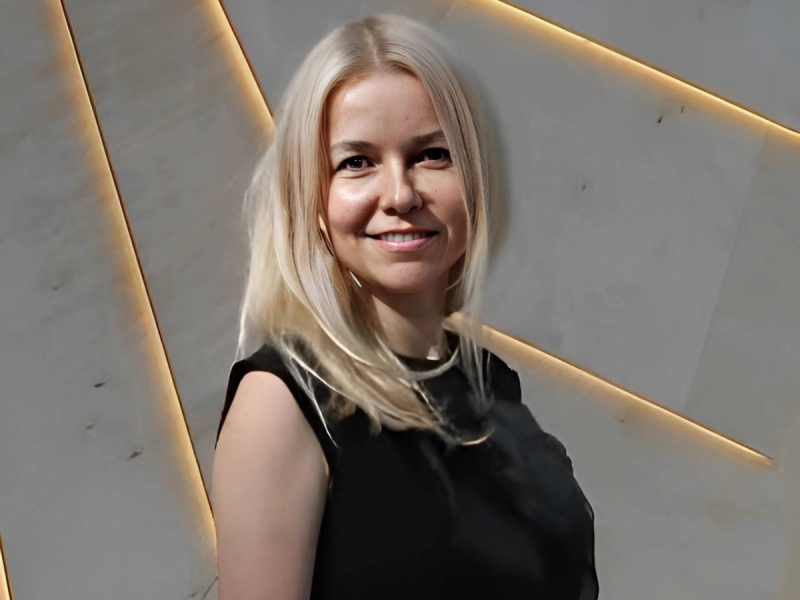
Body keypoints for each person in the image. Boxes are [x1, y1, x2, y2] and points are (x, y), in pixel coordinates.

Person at [211, 12, 598, 600]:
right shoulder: (283, 401)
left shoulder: (491, 384)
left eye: (431, 155)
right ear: (313, 201)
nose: (400, 194)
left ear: (476, 179)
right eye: (356, 162)